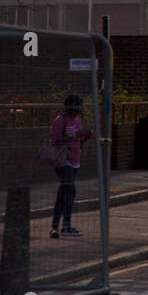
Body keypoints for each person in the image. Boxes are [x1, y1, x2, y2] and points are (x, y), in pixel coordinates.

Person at [50, 94, 92, 239]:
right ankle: (66, 226)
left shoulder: (78, 120)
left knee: (63, 194)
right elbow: (55, 141)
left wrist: (85, 137)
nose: (81, 108)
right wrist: (74, 137)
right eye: (79, 105)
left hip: (75, 160)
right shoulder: (61, 120)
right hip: (63, 161)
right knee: (69, 191)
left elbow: (79, 142)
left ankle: (54, 227)